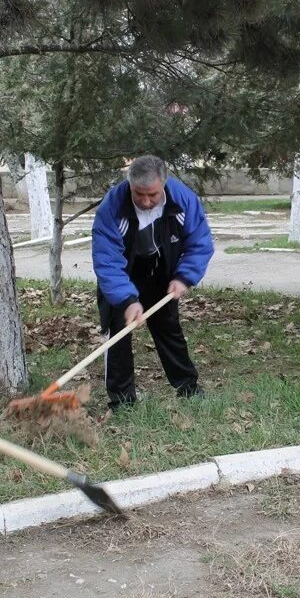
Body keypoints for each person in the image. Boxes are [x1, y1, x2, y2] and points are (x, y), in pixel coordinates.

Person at [91, 155, 214, 409]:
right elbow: (107, 261)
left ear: (164, 185)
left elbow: (199, 243)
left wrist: (184, 277)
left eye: (153, 195)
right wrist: (127, 300)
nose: (146, 202)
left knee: (169, 329)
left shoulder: (183, 200)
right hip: (122, 276)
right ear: (129, 185)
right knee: (117, 336)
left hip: (160, 272)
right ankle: (122, 401)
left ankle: (188, 388)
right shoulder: (112, 208)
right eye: (139, 194)